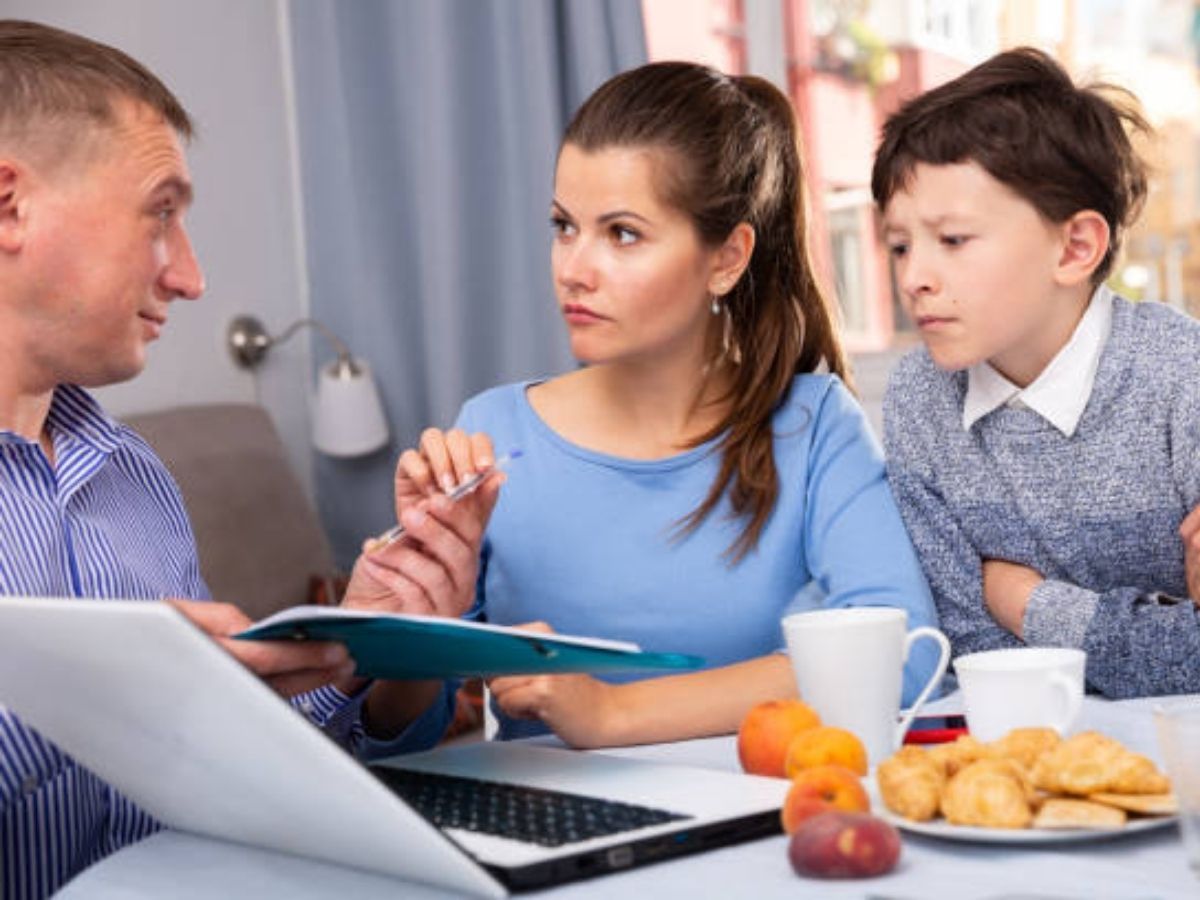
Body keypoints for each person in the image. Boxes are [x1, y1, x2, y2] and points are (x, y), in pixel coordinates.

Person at [0, 20, 489, 898]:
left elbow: (219, 772)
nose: (191, 277)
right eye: (160, 214)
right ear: (9, 206)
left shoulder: (134, 476)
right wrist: (133, 690)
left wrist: (370, 643)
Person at [392, 61, 942, 749]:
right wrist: (415, 622)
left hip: (759, 827)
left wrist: (616, 714)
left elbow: (904, 654)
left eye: (622, 234)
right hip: (553, 830)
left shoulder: (813, 425)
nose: (573, 268)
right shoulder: (489, 434)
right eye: (564, 226)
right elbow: (403, 734)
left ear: (726, 257)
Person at [874, 47, 1200, 699]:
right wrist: (1151, 631)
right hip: (1019, 759)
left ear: (1075, 247)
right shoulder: (919, 399)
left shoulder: (1182, 376)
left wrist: (1026, 603)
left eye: (954, 240)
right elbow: (967, 653)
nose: (914, 278)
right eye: (901, 244)